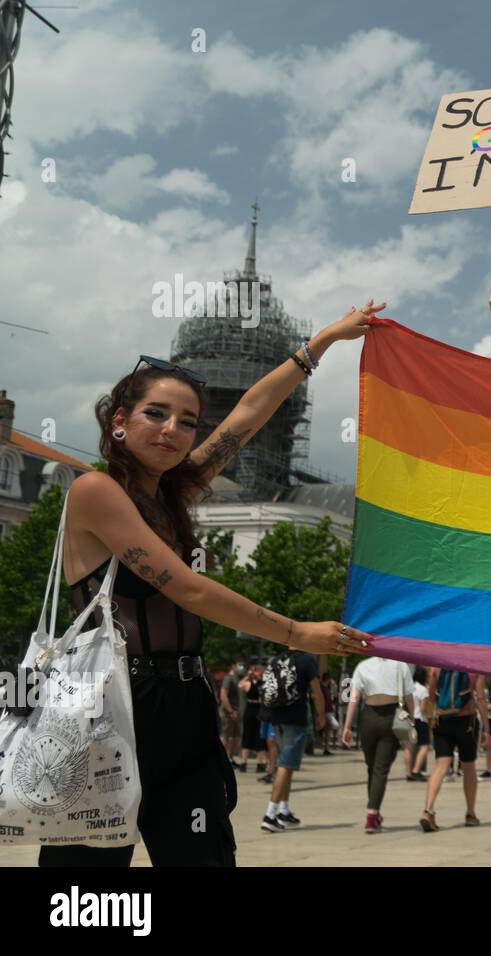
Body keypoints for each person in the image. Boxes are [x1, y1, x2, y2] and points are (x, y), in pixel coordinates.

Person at [39, 311, 375, 867]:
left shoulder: (175, 490)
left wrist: (322, 343)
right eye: (156, 414)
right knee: (85, 879)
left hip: (184, 705)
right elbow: (189, 590)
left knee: (204, 856)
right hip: (110, 706)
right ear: (119, 420)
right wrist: (295, 632)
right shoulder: (95, 490)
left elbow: (248, 414)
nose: (172, 429)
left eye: (188, 421)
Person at [340, 654, 416, 833]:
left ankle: (373, 811)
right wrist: (412, 719)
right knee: (380, 769)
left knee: (371, 767)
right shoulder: (401, 665)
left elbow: (354, 698)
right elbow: (408, 697)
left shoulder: (363, 665)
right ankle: (372, 815)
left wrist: (347, 726)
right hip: (391, 717)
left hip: (368, 717)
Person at [260, 646, 326, 832]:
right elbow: (316, 692)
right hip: (295, 719)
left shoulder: (276, 660)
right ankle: (270, 814)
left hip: (276, 718)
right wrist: (321, 716)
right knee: (286, 766)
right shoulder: (307, 661)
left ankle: (283, 811)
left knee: (286, 766)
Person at [419, 669, 488, 832]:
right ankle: (470, 814)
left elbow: (431, 697)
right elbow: (481, 698)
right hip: (467, 722)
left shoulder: (436, 666)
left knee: (441, 766)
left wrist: (431, 720)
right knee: (468, 767)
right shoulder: (473, 667)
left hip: (443, 721)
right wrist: (486, 727)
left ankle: (428, 810)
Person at [238, 663, 267, 773]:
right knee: (253, 735)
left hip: (254, 710)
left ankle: (255, 763)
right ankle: (247, 762)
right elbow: (240, 685)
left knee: (254, 736)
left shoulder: (258, 683)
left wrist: (248, 675)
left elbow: (240, 684)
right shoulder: (253, 684)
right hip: (254, 710)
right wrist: (249, 675)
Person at [407, 666, 431, 781]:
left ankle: (408, 772)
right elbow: (423, 709)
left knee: (410, 747)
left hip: (409, 719)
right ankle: (416, 771)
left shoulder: (409, 688)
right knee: (424, 746)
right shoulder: (423, 690)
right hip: (420, 720)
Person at [220, 661, 245, 762]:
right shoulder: (228, 678)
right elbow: (223, 695)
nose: (241, 667)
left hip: (237, 713)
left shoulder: (238, 678)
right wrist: (230, 711)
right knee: (226, 736)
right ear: (233, 665)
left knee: (236, 737)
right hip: (228, 713)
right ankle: (221, 759)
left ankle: (230, 759)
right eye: (239, 665)